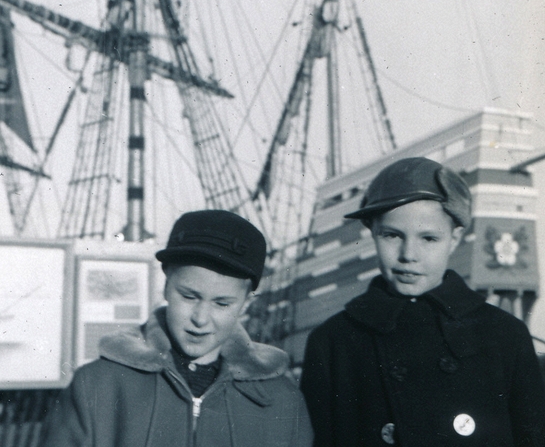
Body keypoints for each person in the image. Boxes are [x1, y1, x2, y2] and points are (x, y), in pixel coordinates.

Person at [300, 156, 545, 447]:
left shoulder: (504, 335)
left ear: (454, 239)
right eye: (392, 235)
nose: (408, 255)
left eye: (429, 239)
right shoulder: (333, 342)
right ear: (373, 233)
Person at [42, 209, 313, 447]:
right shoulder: (98, 386)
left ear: (245, 304)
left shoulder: (283, 400)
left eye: (222, 303)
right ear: (166, 285)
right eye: (189, 296)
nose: (201, 318)